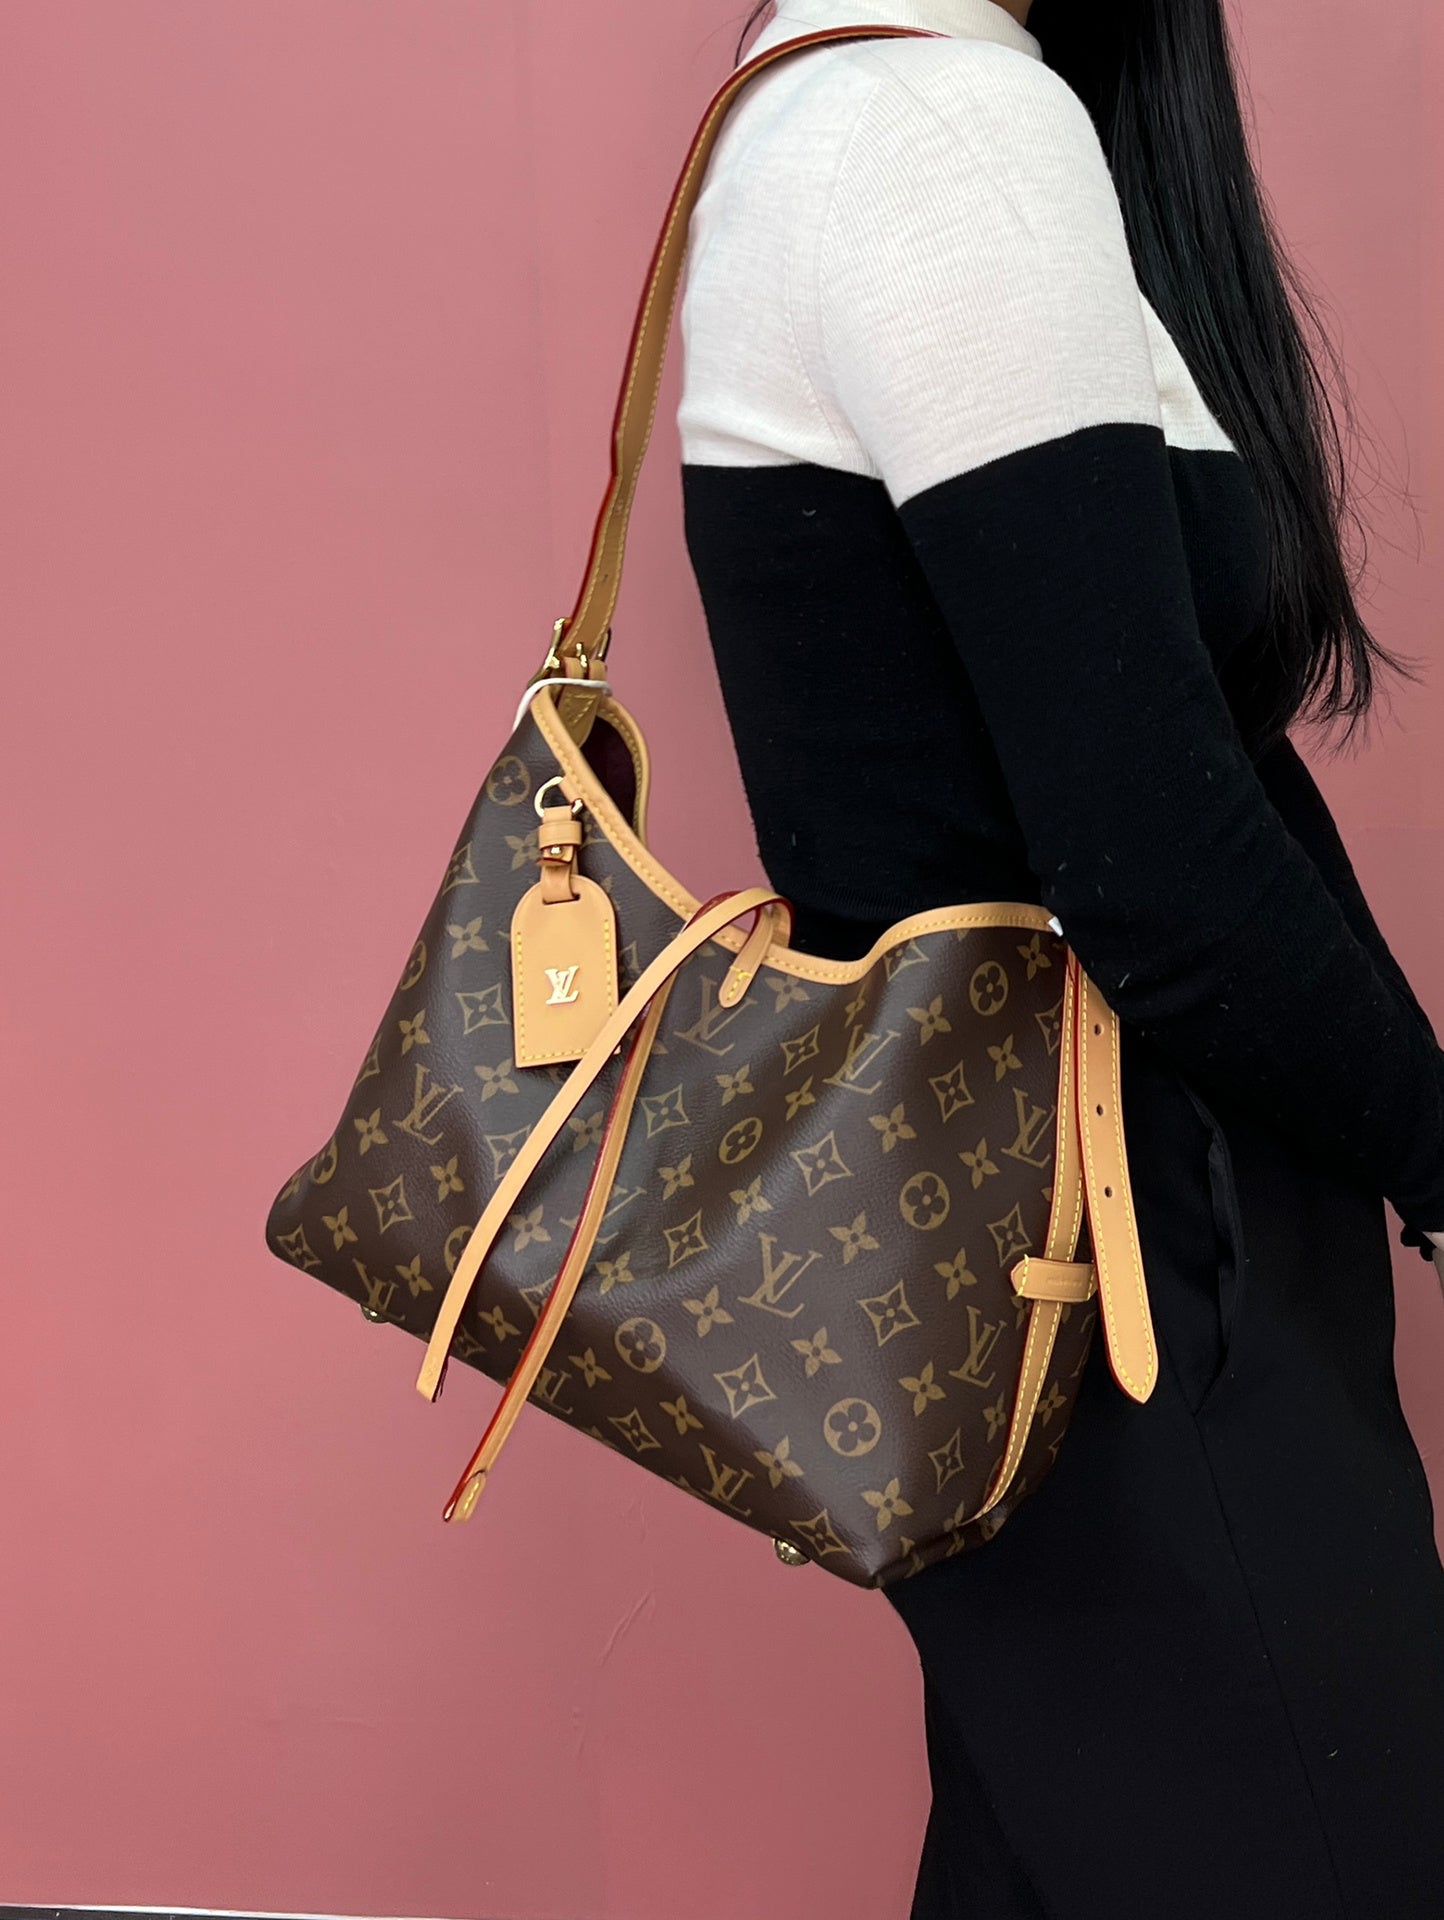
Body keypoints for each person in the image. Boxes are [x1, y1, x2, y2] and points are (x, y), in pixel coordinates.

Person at [675, 0, 1444, 1913]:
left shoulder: (823, 96)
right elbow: (1154, 858)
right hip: (1134, 1264)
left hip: (1012, 1268)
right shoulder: (939, 122)